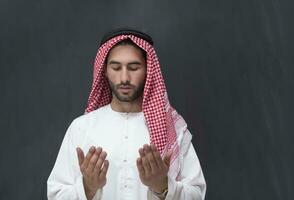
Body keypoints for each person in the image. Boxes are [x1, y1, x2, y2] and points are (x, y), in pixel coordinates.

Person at [47, 28, 206, 200]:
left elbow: (197, 194)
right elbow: (56, 195)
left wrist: (163, 187)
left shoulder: (172, 130)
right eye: (116, 67)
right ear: (105, 71)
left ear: (148, 71)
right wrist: (87, 188)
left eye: (134, 67)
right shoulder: (81, 127)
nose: (124, 78)